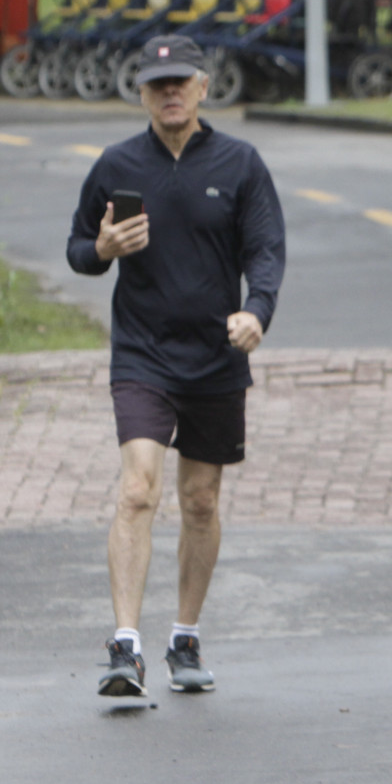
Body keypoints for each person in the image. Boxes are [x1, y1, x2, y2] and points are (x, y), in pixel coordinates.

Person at [67, 35, 285, 697]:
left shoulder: (240, 163)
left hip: (215, 356)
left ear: (203, 88)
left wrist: (257, 313)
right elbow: (79, 247)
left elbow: (267, 250)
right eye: (158, 83)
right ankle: (124, 645)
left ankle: (184, 637)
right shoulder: (116, 164)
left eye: (181, 82)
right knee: (139, 488)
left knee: (200, 499)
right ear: (141, 92)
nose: (170, 93)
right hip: (142, 352)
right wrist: (102, 246)